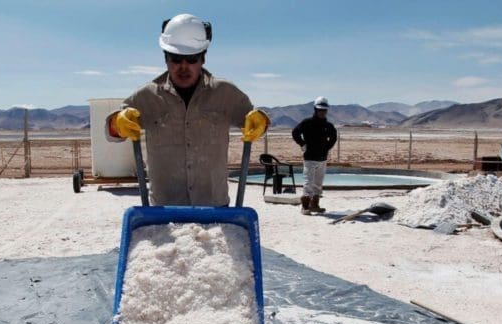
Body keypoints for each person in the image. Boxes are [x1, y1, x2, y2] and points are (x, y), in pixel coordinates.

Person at [105, 13, 269, 206]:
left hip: (214, 209)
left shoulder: (226, 94)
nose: (183, 66)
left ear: (203, 58)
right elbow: (111, 133)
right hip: (164, 210)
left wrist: (261, 121)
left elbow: (255, 121)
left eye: (191, 59)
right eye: (176, 58)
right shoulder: (147, 96)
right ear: (166, 58)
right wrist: (117, 124)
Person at [291, 96, 337, 215]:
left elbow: (333, 137)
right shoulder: (307, 123)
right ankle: (305, 206)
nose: (322, 112)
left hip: (322, 158)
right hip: (310, 158)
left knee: (318, 183)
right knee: (308, 182)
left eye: (324, 110)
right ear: (315, 109)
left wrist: (326, 148)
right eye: (320, 110)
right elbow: (295, 132)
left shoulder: (328, 125)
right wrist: (302, 144)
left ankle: (315, 205)